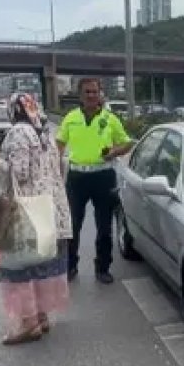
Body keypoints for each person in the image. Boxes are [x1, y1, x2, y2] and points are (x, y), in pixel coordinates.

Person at [0, 93, 72, 345]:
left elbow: (19, 173)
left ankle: (28, 324)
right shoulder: (44, 132)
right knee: (40, 265)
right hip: (50, 211)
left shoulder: (19, 133)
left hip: (26, 213)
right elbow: (61, 168)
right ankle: (41, 317)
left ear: (14, 111)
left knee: (17, 267)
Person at [56, 78, 134, 284]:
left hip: (103, 176)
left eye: (94, 92)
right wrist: (54, 170)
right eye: (87, 92)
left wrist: (114, 152)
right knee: (72, 225)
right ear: (80, 95)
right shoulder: (70, 118)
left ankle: (102, 267)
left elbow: (127, 143)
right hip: (77, 178)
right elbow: (59, 144)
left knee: (104, 226)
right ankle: (70, 266)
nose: (91, 95)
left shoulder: (110, 119)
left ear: (100, 94)